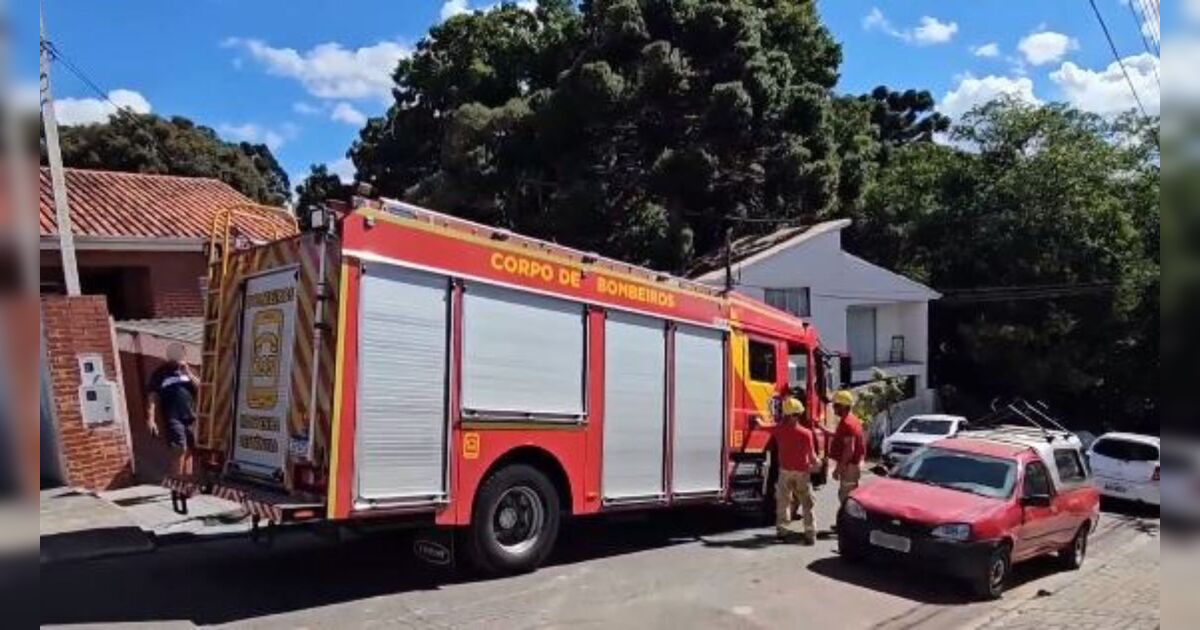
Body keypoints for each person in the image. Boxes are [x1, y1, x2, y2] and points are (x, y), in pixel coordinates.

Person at [146, 342, 199, 477]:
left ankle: (187, 483)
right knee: (180, 449)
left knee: (190, 450)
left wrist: (188, 373)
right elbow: (152, 397)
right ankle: (176, 482)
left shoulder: (188, 372)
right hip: (173, 417)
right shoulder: (161, 373)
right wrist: (151, 419)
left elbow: (202, 389)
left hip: (191, 417)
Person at [773, 396, 819, 544]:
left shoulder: (779, 430)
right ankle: (810, 533)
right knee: (807, 502)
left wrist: (758, 422)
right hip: (802, 472)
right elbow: (812, 457)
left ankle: (782, 530)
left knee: (783, 501)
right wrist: (817, 464)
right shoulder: (806, 433)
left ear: (785, 414)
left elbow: (764, 425)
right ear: (799, 414)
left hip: (785, 471)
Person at [830, 389, 866, 505]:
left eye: (835, 405)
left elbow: (849, 450)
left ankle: (847, 522)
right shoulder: (852, 420)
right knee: (850, 495)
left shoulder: (847, 423)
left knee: (846, 498)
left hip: (849, 467)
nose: (833, 408)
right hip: (853, 465)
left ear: (843, 406)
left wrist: (838, 469)